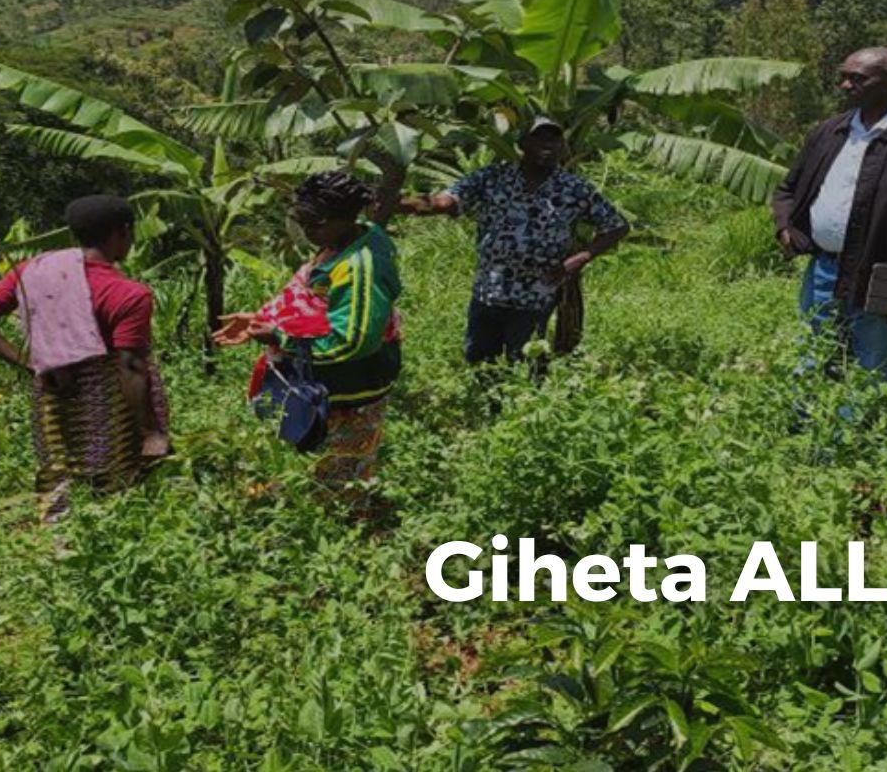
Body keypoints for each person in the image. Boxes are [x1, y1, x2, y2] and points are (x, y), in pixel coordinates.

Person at [770, 47, 887, 410]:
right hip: (824, 269)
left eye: (858, 78)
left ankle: (849, 449)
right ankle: (801, 438)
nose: (845, 85)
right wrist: (785, 227)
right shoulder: (831, 131)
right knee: (814, 357)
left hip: (886, 276)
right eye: (843, 76)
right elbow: (789, 189)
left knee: (870, 368)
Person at [0, 195, 170, 523]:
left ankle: (56, 549)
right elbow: (130, 366)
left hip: (54, 397)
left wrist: (31, 363)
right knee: (117, 483)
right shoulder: (128, 294)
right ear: (124, 232)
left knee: (59, 473)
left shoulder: (33, 272)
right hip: (113, 401)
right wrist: (150, 432)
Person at [213, 170, 402, 518]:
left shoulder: (360, 267)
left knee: (344, 468)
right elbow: (311, 300)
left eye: (314, 222)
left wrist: (279, 336)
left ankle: (346, 531)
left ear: (345, 219)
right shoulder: (340, 243)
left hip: (350, 385)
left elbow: (353, 342)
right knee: (310, 451)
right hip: (320, 381)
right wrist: (261, 319)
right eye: (301, 220)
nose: (306, 230)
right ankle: (303, 506)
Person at [398, 117, 628, 365]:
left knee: (528, 363)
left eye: (554, 139)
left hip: (536, 294)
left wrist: (579, 259)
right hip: (490, 289)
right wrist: (395, 203)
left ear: (563, 147)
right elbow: (443, 202)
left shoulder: (574, 188)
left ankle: (524, 401)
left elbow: (617, 225)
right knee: (480, 361)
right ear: (523, 143)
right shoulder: (492, 178)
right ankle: (486, 403)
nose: (548, 145)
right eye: (539, 137)